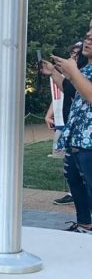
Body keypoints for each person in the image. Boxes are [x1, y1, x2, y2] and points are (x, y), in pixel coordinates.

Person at [53, 31, 92, 233]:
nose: (88, 39)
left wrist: (73, 72)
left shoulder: (81, 71)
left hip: (90, 141)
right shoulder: (86, 69)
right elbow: (72, 91)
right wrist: (55, 72)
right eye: (88, 35)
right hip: (78, 138)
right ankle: (85, 224)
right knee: (75, 182)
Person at [42, 42, 85, 206]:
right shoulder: (76, 75)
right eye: (72, 53)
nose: (73, 57)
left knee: (85, 176)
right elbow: (68, 89)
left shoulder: (85, 74)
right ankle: (84, 224)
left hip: (85, 135)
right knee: (72, 175)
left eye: (77, 54)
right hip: (73, 133)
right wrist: (53, 72)